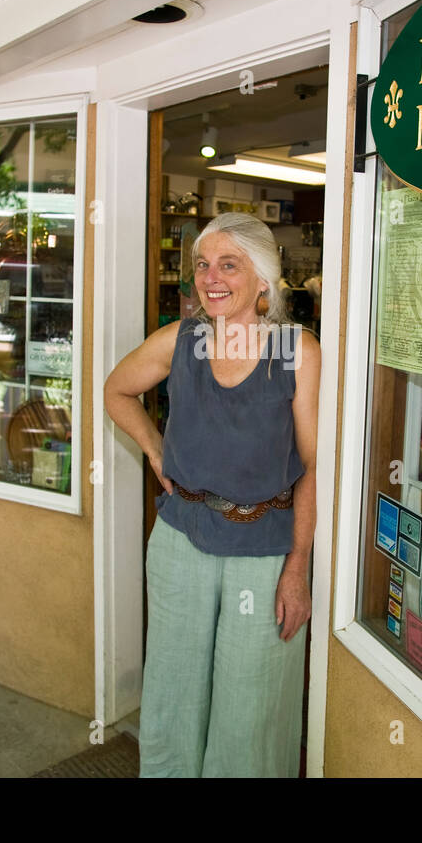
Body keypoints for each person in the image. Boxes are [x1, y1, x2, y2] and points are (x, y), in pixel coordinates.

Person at [103, 212, 319, 777]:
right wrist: (153, 447)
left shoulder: (297, 351)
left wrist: (298, 566)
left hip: (265, 552)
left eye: (229, 264)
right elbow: (117, 390)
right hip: (180, 541)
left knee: (250, 706)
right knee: (172, 694)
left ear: (263, 280)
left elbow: (317, 466)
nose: (211, 277)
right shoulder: (181, 341)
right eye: (203, 264)